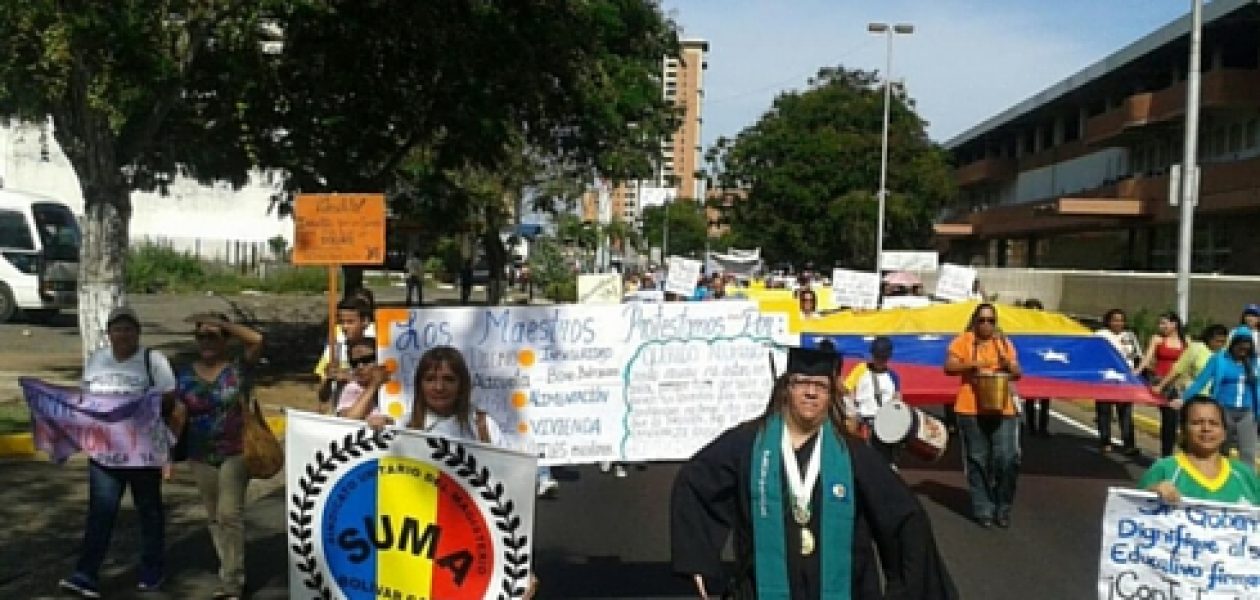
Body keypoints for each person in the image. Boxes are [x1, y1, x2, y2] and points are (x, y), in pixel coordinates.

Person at [671, 346, 958, 598]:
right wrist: (698, 560)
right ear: (786, 388)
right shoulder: (748, 443)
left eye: (820, 386)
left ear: (831, 394)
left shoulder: (854, 454)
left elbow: (903, 516)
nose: (811, 392)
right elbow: (695, 482)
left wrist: (907, 588)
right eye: (802, 383)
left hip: (845, 590)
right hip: (760, 588)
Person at [59, 306, 178, 598]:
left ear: (137, 332)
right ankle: (85, 575)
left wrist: (141, 406)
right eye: (117, 329)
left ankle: (151, 570)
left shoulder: (153, 360)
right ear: (109, 334)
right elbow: (87, 399)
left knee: (149, 513)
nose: (122, 334)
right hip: (104, 455)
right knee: (100, 514)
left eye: (128, 329)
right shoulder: (97, 360)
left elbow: (170, 397)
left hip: (143, 454)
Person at [174, 312, 263, 600]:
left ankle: (233, 582)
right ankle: (229, 568)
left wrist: (221, 323)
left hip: (235, 449)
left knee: (229, 513)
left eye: (212, 336)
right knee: (214, 516)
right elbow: (179, 413)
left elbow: (257, 340)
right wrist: (167, 453)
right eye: (201, 336)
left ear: (226, 339)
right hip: (199, 452)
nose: (206, 342)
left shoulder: (237, 369)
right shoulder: (185, 374)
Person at [944, 303, 1022, 528]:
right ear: (975, 322)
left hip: (1003, 408)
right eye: (982, 320)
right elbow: (948, 366)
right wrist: (971, 364)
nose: (986, 325)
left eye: (991, 320)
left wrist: (1009, 365)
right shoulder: (964, 341)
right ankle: (984, 509)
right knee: (977, 459)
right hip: (971, 409)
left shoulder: (1004, 343)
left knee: (1007, 459)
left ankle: (1003, 505)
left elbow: (1018, 373)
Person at [1139, 397, 1260, 504]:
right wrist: (1151, 492)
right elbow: (1132, 511)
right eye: (1197, 423)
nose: (1206, 428)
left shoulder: (1243, 474)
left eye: (1214, 423)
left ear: (1224, 432)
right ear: (1183, 430)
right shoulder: (1164, 469)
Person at [1182, 326, 1260, 473]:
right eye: (1240, 345)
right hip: (1224, 411)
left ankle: (1248, 487)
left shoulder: (1255, 363)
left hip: (1247, 413)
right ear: (1233, 344)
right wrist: (1184, 399)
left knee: (1248, 452)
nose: (1243, 349)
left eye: (1247, 345)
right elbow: (1201, 381)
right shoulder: (1219, 359)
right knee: (1222, 449)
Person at [842, 336, 901, 463]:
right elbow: (848, 390)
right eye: (877, 357)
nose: (880, 361)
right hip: (864, 422)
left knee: (885, 460)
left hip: (885, 424)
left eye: (883, 358)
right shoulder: (861, 369)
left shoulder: (893, 376)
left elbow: (897, 398)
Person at [1137, 312, 1187, 457]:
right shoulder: (1157, 339)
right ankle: (1166, 454)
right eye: (1160, 323)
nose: (1161, 326)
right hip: (1160, 383)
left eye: (1164, 323)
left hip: (1179, 384)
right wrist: (1137, 371)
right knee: (1169, 419)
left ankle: (1177, 452)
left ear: (1174, 324)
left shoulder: (1186, 341)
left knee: (1177, 420)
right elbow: (1147, 358)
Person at [1094, 308, 1142, 455]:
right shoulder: (1100, 335)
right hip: (1105, 379)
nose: (1118, 323)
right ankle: (1105, 441)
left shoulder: (1129, 336)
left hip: (1125, 379)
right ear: (1108, 321)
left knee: (1126, 412)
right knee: (1104, 412)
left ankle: (1129, 444)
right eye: (1115, 320)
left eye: (1121, 320)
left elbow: (1137, 356)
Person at [315, 297, 374, 412]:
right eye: (342, 322)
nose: (344, 327)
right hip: (343, 419)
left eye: (350, 322)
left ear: (365, 321)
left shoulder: (377, 349)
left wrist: (351, 377)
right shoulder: (334, 350)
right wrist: (328, 379)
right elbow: (323, 397)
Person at [1154, 323, 1229, 399]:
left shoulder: (1225, 354)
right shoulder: (1196, 348)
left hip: (1217, 398)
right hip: (1195, 395)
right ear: (1209, 338)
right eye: (1218, 341)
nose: (1220, 345)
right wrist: (1160, 386)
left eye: (1223, 342)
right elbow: (1178, 369)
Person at [335, 337, 388, 420]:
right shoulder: (352, 388)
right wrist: (373, 385)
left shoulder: (398, 386)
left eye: (366, 360)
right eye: (354, 363)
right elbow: (349, 419)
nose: (360, 366)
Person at [1021, 299, 1051, 437]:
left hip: (1044, 366)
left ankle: (1043, 427)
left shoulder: (1046, 327)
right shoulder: (1021, 328)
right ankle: (1031, 426)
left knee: (1045, 399)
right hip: (1029, 367)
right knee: (1030, 399)